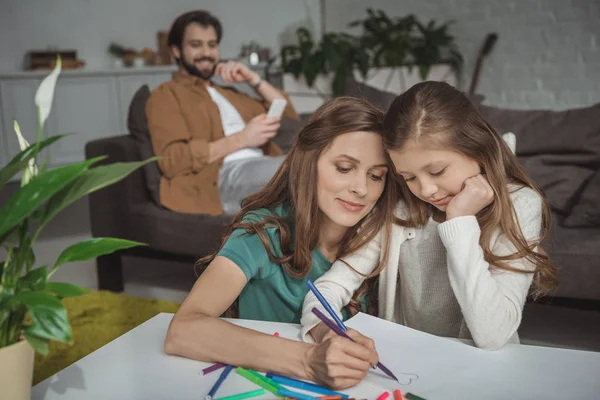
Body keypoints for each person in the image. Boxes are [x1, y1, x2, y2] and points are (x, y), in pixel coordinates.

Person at [302, 81, 558, 351]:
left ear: (478, 149)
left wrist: (460, 221)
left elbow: (493, 335)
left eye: (437, 171)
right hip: (408, 367)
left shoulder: (520, 205)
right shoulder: (401, 206)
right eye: (409, 177)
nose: (426, 190)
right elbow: (331, 286)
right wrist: (325, 332)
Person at [164, 97, 400, 389]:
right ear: (308, 162)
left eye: (376, 176)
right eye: (343, 168)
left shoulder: (382, 239)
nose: (361, 189)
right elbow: (183, 330)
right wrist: (308, 360)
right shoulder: (263, 231)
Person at [146, 10, 298, 215]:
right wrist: (243, 138)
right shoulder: (166, 95)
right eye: (196, 45)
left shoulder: (229, 94)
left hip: (262, 165)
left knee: (318, 165)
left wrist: (252, 78)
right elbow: (172, 161)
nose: (206, 53)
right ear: (176, 51)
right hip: (219, 177)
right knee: (303, 170)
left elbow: (288, 114)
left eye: (212, 44)